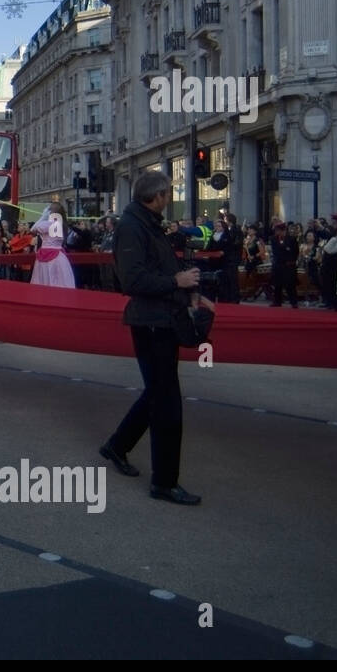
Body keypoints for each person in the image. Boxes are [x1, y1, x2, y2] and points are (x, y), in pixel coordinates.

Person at [99, 171, 204, 505]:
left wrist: (189, 290)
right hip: (150, 322)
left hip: (163, 318)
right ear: (155, 196)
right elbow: (133, 280)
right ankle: (164, 481)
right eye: (167, 193)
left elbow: (158, 269)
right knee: (167, 403)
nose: (170, 198)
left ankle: (117, 446)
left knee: (158, 393)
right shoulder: (132, 227)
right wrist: (178, 281)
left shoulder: (148, 223)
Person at [30, 203, 76, 288]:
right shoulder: (61, 224)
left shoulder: (50, 224)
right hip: (58, 257)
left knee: (45, 280)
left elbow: (33, 229)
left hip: (49, 257)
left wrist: (43, 216)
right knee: (58, 281)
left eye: (49, 209)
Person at [268, 220, 299, 308]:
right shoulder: (273, 239)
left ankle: (294, 302)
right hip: (278, 264)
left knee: (290, 285)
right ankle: (277, 301)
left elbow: (295, 251)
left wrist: (290, 258)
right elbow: (276, 252)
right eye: (276, 231)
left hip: (288, 265)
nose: (277, 232)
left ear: (283, 230)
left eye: (278, 230)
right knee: (277, 284)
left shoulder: (291, 239)